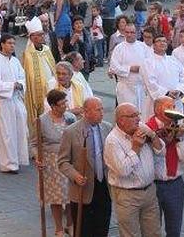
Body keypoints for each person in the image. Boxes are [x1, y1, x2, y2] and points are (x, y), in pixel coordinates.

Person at [104, 103, 164, 237]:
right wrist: (136, 147)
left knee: (154, 233)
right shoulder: (113, 141)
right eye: (133, 116)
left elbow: (161, 152)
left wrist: (153, 136)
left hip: (149, 192)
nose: (138, 119)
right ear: (121, 120)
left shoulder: (141, 129)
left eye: (138, 115)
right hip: (127, 196)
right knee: (130, 234)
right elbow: (123, 170)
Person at [58, 97, 113, 237]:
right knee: (84, 230)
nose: (102, 113)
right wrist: (75, 175)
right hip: (83, 189)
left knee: (102, 228)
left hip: (104, 186)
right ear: (86, 112)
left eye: (102, 109)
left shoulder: (107, 128)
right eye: (98, 110)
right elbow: (63, 162)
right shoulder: (71, 132)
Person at [32, 89, 76, 237]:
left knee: (70, 196)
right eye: (62, 103)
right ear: (53, 106)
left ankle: (70, 224)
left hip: (69, 161)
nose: (66, 106)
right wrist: (37, 157)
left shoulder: (70, 118)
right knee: (55, 198)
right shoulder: (41, 121)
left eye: (66, 102)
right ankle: (58, 228)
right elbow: (34, 143)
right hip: (51, 163)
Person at [146, 96, 184, 237]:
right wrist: (160, 139)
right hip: (153, 185)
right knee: (152, 230)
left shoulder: (178, 129)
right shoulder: (148, 128)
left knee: (174, 230)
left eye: (174, 106)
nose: (174, 110)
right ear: (158, 110)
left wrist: (179, 139)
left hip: (175, 185)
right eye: (170, 107)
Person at [0, 33, 29, 173]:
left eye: (13, 43)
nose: (12, 46)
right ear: (2, 44)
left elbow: (23, 77)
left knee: (19, 131)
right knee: (6, 133)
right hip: (3, 102)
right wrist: (11, 86)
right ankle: (7, 164)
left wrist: (20, 84)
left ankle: (17, 159)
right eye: (9, 43)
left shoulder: (15, 61)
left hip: (16, 100)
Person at [22, 17, 57, 135]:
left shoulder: (47, 49)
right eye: (39, 35)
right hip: (38, 92)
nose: (42, 37)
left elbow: (53, 67)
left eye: (42, 34)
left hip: (51, 87)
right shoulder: (28, 54)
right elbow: (30, 77)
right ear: (32, 37)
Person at [140, 35, 184, 120]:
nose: (162, 43)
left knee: (177, 128)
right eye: (159, 41)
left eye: (164, 41)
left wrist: (180, 90)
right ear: (153, 45)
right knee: (158, 127)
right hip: (157, 102)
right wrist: (167, 93)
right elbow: (150, 82)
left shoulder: (173, 60)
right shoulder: (147, 62)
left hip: (176, 100)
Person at [109, 24, 150, 109]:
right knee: (127, 113)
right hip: (125, 88)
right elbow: (114, 67)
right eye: (127, 32)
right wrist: (129, 69)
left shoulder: (143, 47)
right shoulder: (119, 48)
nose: (129, 35)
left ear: (136, 33)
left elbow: (150, 64)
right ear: (124, 32)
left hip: (141, 87)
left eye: (132, 32)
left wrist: (142, 69)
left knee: (142, 114)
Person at [61, 16, 93, 80]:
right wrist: (72, 41)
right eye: (77, 23)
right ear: (73, 26)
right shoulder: (69, 36)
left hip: (85, 64)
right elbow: (65, 50)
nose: (79, 25)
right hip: (73, 66)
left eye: (81, 23)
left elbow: (91, 49)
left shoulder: (87, 34)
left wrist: (92, 61)